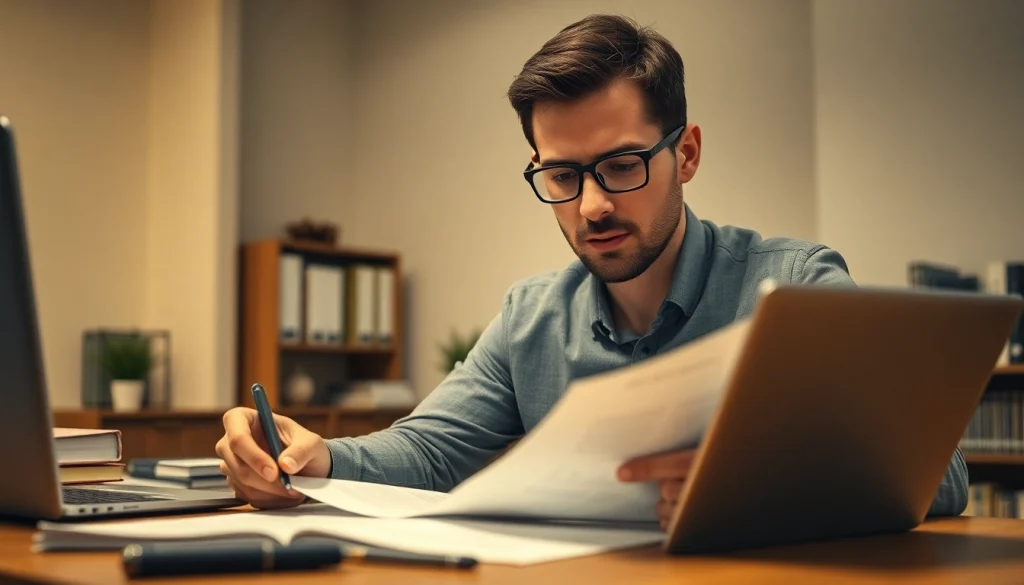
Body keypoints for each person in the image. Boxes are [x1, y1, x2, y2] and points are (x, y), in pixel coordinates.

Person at [216, 13, 968, 528]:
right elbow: (430, 448)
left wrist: (760, 483)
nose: (594, 205)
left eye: (623, 164)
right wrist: (317, 458)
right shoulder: (532, 315)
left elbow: (940, 469)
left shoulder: (793, 284)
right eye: (563, 176)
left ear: (688, 154)